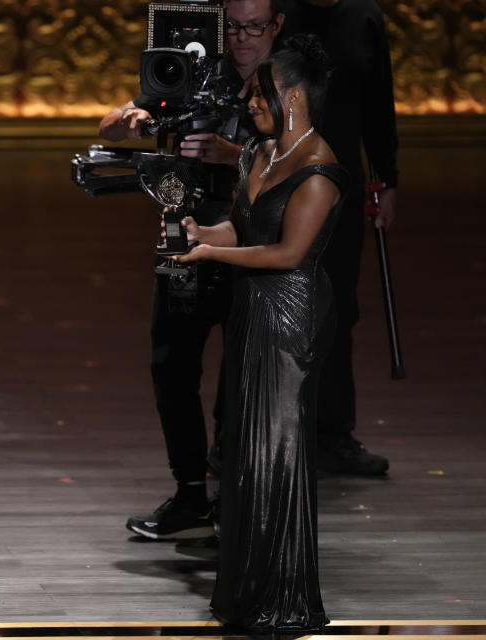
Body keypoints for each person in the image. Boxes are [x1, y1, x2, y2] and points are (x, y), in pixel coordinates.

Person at [175, 35, 346, 630]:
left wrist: (214, 258)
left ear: (294, 96)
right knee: (247, 447)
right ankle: (247, 589)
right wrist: (203, 233)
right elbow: (241, 228)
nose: (250, 104)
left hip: (290, 318)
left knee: (278, 448)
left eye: (261, 94)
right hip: (251, 311)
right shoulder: (259, 152)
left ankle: (282, 593)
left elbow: (287, 254)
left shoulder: (319, 170)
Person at [97, 0, 284, 540]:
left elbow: (310, 159)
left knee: (242, 373)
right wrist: (133, 120)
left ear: (277, 27)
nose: (243, 39)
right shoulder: (192, 68)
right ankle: (191, 492)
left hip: (257, 244)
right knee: (172, 365)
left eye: (255, 27)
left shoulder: (289, 81)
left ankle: (234, 493)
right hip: (183, 236)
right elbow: (107, 125)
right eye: (235, 27)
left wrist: (234, 155)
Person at [279, 0, 398, 476]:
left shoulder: (364, 15)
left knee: (339, 306)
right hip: (277, 181)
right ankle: (249, 433)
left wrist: (387, 179)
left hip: (342, 186)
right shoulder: (273, 11)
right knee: (267, 305)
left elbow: (378, 102)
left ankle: (332, 434)